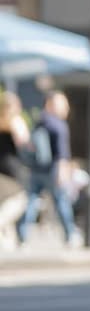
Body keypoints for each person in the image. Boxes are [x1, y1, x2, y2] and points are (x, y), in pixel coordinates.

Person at [16, 90, 81, 247]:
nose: (66, 108)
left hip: (36, 169)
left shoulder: (39, 121)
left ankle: (22, 235)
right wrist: (62, 170)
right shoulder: (58, 125)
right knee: (61, 201)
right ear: (51, 104)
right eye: (62, 104)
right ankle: (70, 234)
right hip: (53, 169)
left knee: (31, 201)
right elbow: (62, 152)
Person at [0, 88, 31, 250]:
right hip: (9, 169)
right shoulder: (14, 122)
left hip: (3, 168)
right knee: (19, 200)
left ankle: (9, 242)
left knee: (5, 201)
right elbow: (23, 139)